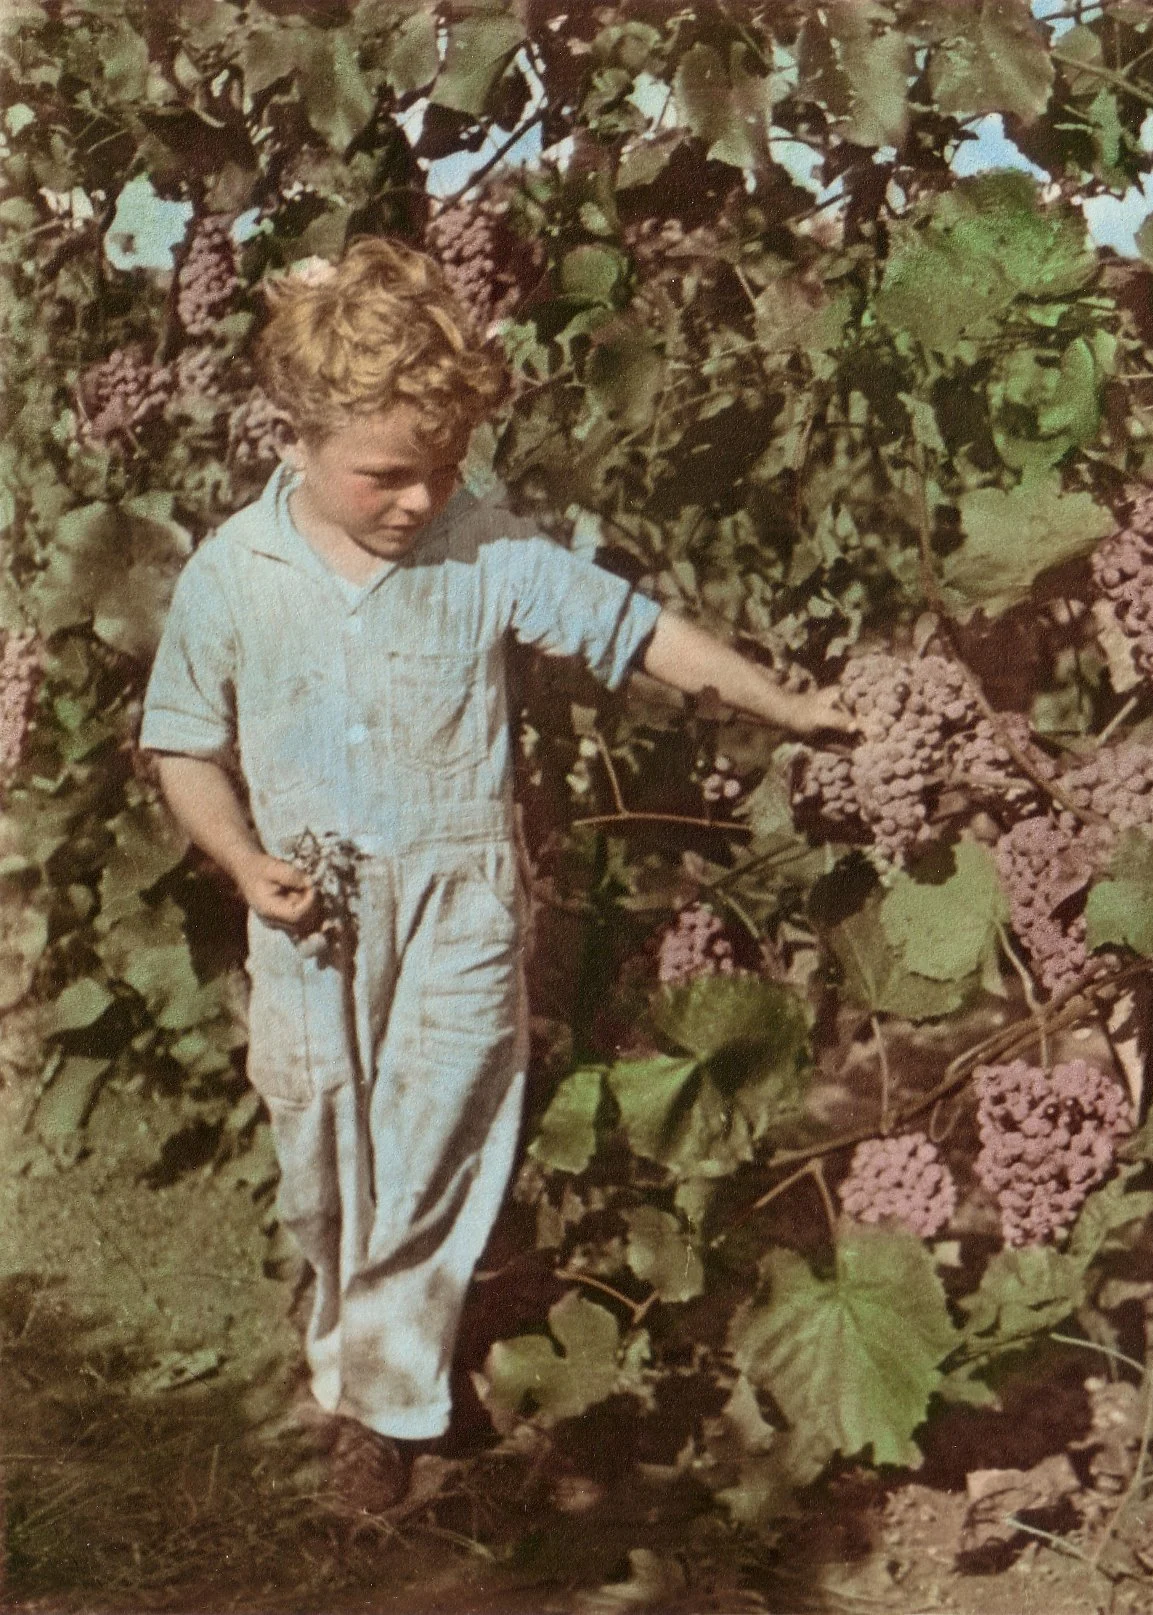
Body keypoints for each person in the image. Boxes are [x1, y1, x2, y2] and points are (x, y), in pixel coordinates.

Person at [139, 236, 843, 1513]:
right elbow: (183, 743)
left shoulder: (485, 551)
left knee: (435, 1145)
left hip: (460, 909)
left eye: (444, 468)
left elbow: (634, 630)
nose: (418, 500)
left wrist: (780, 704)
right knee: (319, 1148)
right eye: (386, 476)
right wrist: (243, 861)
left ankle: (386, 1402)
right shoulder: (233, 579)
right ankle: (344, 1310)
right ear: (294, 439)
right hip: (309, 919)